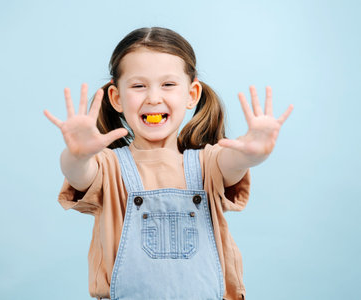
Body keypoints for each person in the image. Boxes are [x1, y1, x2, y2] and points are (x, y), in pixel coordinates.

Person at [44, 27, 293, 300]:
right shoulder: (108, 167)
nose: (153, 97)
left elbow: (235, 162)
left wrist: (254, 153)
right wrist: (77, 154)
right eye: (139, 86)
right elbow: (77, 173)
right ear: (116, 98)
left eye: (168, 84)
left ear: (192, 94)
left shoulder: (208, 163)